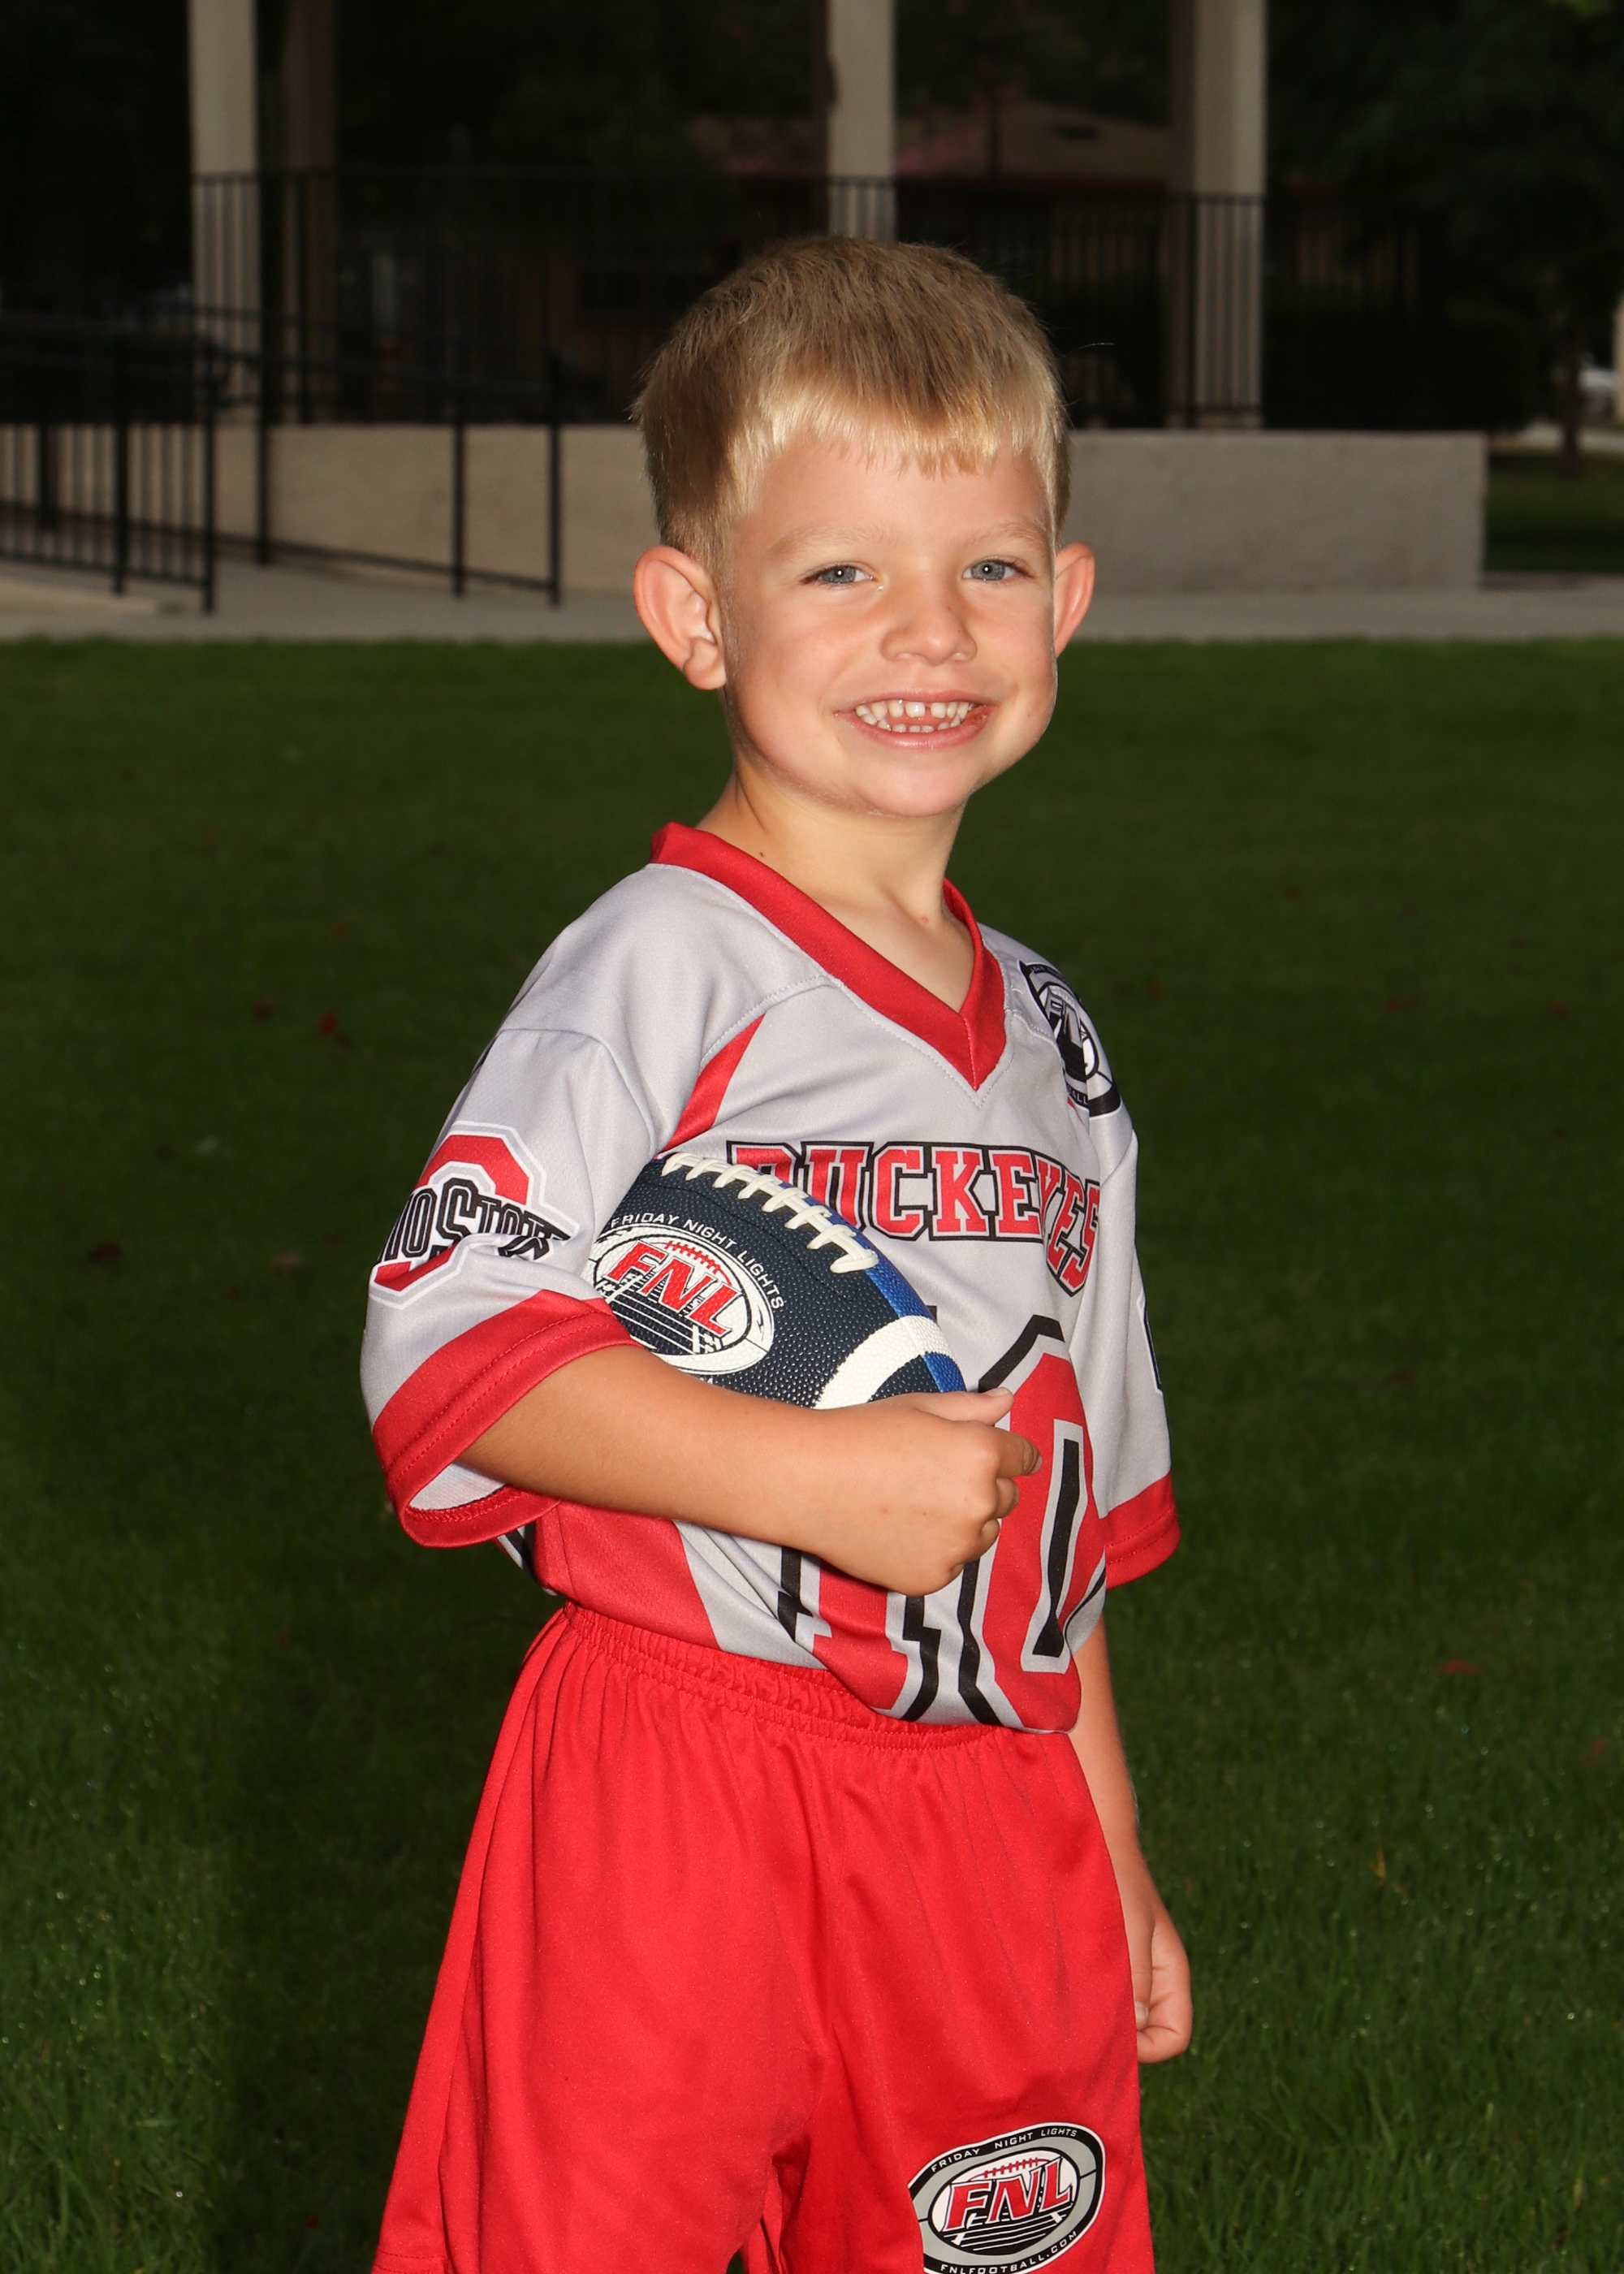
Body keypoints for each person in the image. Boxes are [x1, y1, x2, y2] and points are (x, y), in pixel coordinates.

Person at [361, 236, 1191, 2274]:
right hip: (680, 1769)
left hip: (984, 1809)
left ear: (1068, 597)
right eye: (838, 570)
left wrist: (1109, 1844)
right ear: (695, 614)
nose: (930, 628)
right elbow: (443, 1338)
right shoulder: (662, 963)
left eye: (989, 564)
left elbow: (1066, 1521)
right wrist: (803, 1476)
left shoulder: (1056, 1048)